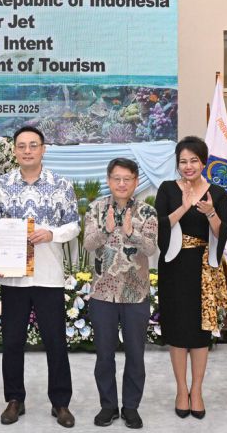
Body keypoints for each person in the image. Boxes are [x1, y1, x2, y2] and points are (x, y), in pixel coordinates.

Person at [0, 126, 80, 428]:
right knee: (12, 342)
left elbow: (74, 225)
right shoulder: (1, 185)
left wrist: (52, 233)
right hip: (13, 277)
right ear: (14, 150)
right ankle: (15, 399)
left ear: (43, 149)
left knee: (55, 341)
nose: (27, 151)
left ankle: (61, 402)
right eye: (21, 146)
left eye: (33, 145)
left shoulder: (61, 184)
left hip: (48, 276)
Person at [153, 135, 227, 420]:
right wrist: (184, 207)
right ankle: (181, 389)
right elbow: (159, 226)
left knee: (199, 332)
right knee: (177, 330)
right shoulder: (167, 189)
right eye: (183, 161)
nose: (188, 166)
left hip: (203, 269)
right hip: (174, 267)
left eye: (194, 160)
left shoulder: (216, 192)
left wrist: (210, 213)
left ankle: (197, 390)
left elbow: (223, 233)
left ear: (203, 162)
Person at [83, 158, 158, 429]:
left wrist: (131, 233)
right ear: (109, 180)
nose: (122, 183)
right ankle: (108, 406)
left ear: (136, 181)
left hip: (135, 295)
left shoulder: (147, 212)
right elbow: (88, 244)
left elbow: (150, 249)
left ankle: (131, 407)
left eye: (127, 179)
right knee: (104, 355)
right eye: (117, 178)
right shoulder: (96, 209)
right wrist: (107, 229)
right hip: (103, 294)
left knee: (135, 354)